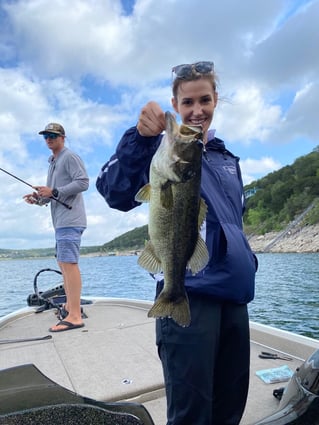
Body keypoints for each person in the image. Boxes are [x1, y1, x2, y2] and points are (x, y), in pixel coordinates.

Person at [96, 61, 258, 425]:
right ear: (176, 104)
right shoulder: (159, 155)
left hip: (234, 297)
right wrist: (140, 138)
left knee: (229, 407)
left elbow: (233, 224)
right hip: (189, 293)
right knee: (191, 414)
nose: (196, 111)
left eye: (204, 100)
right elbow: (114, 192)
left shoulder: (227, 159)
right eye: (187, 103)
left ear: (216, 100)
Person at [24, 123, 89, 333]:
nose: (49, 139)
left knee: (69, 264)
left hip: (70, 220)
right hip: (61, 222)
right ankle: (70, 307)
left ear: (62, 137)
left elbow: (83, 182)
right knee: (63, 263)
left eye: (53, 135)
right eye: (46, 136)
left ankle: (75, 316)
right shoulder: (53, 162)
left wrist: (54, 192)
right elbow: (52, 194)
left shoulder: (69, 157)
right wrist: (38, 199)